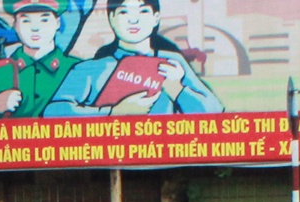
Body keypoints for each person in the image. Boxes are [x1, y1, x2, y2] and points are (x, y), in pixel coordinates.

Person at [44, 0, 222, 116]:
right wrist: (112, 112)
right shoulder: (91, 68)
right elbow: (53, 112)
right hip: (107, 155)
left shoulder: (172, 63)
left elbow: (215, 112)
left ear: (155, 18)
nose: (133, 20)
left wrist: (177, 89)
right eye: (124, 12)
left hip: (163, 152)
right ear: (111, 18)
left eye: (143, 11)